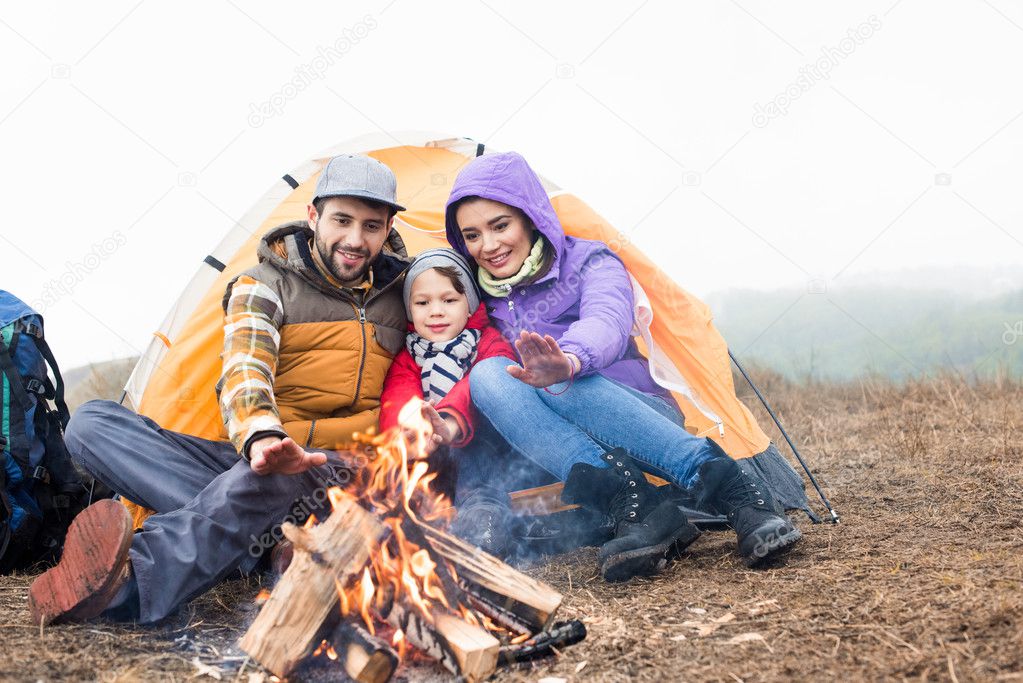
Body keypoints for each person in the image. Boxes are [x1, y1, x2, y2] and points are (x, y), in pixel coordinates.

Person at [28, 154, 411, 625]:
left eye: (371, 226)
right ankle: (255, 543)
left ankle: (129, 586)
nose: (355, 240)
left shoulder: (404, 293)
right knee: (91, 424)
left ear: (388, 226)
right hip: (262, 454)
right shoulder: (264, 285)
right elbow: (244, 370)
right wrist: (261, 437)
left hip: (344, 471)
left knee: (270, 479)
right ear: (314, 216)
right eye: (342, 220)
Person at [445, 151, 801, 579]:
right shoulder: (477, 294)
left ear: (530, 217)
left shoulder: (590, 261)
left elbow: (607, 320)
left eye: (500, 226)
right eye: (472, 235)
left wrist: (571, 360)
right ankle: (637, 507)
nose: (488, 246)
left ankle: (737, 492)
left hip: (632, 414)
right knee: (488, 376)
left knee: (560, 384)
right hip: (558, 440)